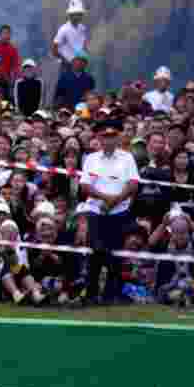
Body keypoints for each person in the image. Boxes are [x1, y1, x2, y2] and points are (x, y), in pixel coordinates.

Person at [79, 119, 140, 303]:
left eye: (112, 136)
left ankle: (110, 294)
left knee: (115, 255)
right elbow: (85, 186)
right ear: (99, 138)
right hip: (96, 212)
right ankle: (91, 293)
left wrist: (115, 201)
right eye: (105, 136)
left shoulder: (127, 158)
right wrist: (106, 199)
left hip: (118, 213)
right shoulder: (91, 159)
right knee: (95, 253)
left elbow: (133, 184)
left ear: (118, 138)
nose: (108, 140)